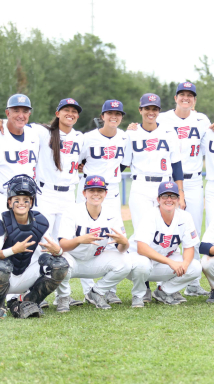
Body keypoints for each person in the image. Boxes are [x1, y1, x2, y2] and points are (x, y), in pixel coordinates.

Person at [154, 82, 213, 297]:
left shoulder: (202, 119)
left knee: (193, 230)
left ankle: (193, 282)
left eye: (190, 95)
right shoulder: (163, 118)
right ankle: (159, 279)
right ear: (175, 98)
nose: (185, 98)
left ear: (195, 100)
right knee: (162, 230)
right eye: (182, 94)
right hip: (168, 180)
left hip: (194, 180)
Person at [77, 99, 130, 305]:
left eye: (118, 114)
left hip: (112, 190)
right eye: (110, 113)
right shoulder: (87, 138)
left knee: (113, 236)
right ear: (102, 116)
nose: (114, 116)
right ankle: (88, 288)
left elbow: (123, 163)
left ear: (121, 117)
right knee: (84, 235)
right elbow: (78, 161)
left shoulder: (125, 137)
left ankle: (108, 289)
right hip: (89, 190)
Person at [56, 175, 130, 312]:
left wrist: (124, 242)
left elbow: (121, 249)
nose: (96, 194)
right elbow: (62, 246)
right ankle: (63, 297)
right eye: (91, 190)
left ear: (105, 194)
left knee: (126, 262)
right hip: (72, 260)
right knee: (57, 263)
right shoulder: (72, 211)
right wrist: (79, 240)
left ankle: (96, 293)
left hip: (95, 260)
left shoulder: (112, 214)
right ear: (84, 193)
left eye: (100, 190)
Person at [0, 175, 68, 318]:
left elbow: (54, 248)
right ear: (9, 202)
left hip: (26, 274)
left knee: (60, 265)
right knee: (2, 267)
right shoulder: (2, 220)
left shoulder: (40, 221)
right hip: (5, 275)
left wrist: (58, 251)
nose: (21, 203)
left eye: (26, 200)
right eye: (16, 200)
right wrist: (13, 250)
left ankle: (28, 301)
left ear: (31, 202)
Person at [127, 182, 202, 306]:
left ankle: (163, 291)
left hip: (161, 261)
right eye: (165, 196)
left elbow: (189, 247)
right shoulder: (150, 215)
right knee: (143, 264)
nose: (169, 199)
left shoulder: (185, 217)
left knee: (195, 267)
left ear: (178, 199)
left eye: (172, 196)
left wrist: (185, 264)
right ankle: (138, 295)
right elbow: (142, 248)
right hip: (136, 262)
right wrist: (170, 262)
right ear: (158, 199)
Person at [122, 93, 185, 233]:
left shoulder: (169, 132)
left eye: (155, 109)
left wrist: (180, 193)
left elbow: (176, 165)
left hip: (164, 185)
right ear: (140, 110)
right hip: (140, 186)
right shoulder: (131, 133)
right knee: (142, 230)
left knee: (164, 230)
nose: (151, 112)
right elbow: (122, 164)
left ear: (159, 111)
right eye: (147, 108)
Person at [0, 94, 39, 213]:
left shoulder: (35, 133)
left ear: (29, 114)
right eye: (16, 111)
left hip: (29, 199)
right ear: (7, 113)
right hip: (4, 198)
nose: (21, 115)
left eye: (25, 111)